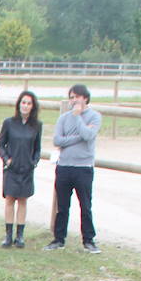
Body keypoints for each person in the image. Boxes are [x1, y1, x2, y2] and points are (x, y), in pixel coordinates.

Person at [47, 84, 102, 253]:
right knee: (62, 206)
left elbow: (88, 135)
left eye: (77, 97)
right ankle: (59, 238)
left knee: (85, 205)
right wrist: (78, 138)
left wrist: (78, 118)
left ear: (85, 98)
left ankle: (88, 240)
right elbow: (57, 140)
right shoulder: (63, 118)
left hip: (83, 168)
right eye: (71, 97)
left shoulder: (94, 117)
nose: (74, 100)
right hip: (64, 166)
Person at [0, 91, 42, 249]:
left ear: (32, 106)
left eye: (29, 103)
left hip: (26, 168)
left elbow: (37, 148)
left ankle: (20, 236)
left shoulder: (37, 125)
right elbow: (1, 144)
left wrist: (34, 162)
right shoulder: (9, 123)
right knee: (10, 199)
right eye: (23, 102)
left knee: (23, 200)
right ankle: (8, 235)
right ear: (19, 104)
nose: (26, 106)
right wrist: (6, 159)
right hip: (12, 167)